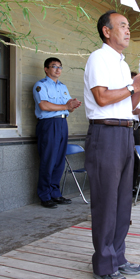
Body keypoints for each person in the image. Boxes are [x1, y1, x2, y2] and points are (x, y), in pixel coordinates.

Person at [84, 10, 140, 279]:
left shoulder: (120, 63)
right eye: (122, 25)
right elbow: (102, 98)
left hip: (125, 132)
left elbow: (128, 106)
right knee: (106, 202)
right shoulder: (99, 58)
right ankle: (104, 265)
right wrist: (135, 85)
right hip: (104, 134)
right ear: (107, 31)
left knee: (122, 203)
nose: (128, 30)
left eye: (129, 26)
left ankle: (118, 256)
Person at [33, 57, 82, 209]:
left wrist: (72, 106)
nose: (57, 69)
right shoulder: (40, 85)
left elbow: (67, 107)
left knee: (59, 160)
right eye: (54, 66)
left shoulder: (63, 86)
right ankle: (45, 195)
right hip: (49, 124)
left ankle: (55, 193)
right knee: (48, 160)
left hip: (62, 123)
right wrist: (66, 106)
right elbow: (44, 105)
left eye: (60, 67)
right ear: (46, 69)